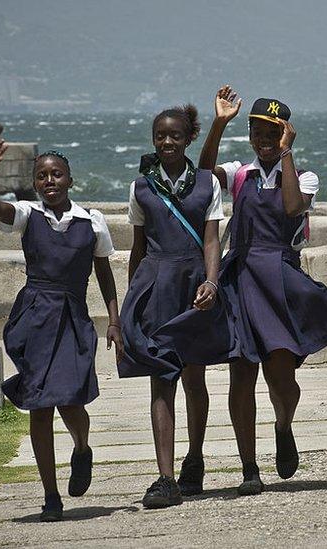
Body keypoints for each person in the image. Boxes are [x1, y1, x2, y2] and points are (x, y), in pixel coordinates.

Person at [0, 141, 121, 522]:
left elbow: (103, 272)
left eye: (56, 174)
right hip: (36, 315)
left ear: (70, 179)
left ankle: (82, 448)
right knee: (40, 407)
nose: (50, 180)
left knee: (72, 401)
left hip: (73, 316)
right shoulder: (28, 216)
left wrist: (114, 319)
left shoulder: (92, 222)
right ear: (35, 183)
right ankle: (50, 496)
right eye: (42, 175)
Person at [210, 97, 327, 495]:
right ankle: (249, 468)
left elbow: (291, 208)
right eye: (258, 132)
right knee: (241, 374)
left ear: (286, 134)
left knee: (281, 376)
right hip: (239, 277)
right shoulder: (240, 174)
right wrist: (219, 124)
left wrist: (286, 154)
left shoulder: (305, 177)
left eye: (273, 132)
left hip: (279, 280)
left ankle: (284, 423)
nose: (264, 140)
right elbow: (201, 174)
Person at [118, 87, 240, 508]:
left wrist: (212, 282)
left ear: (189, 138)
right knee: (161, 379)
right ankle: (165, 478)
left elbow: (212, 240)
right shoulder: (140, 188)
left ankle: (195, 459)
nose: (166, 142)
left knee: (194, 376)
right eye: (159, 136)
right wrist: (129, 303)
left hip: (194, 286)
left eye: (174, 136)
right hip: (155, 287)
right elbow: (137, 247)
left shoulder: (207, 184)